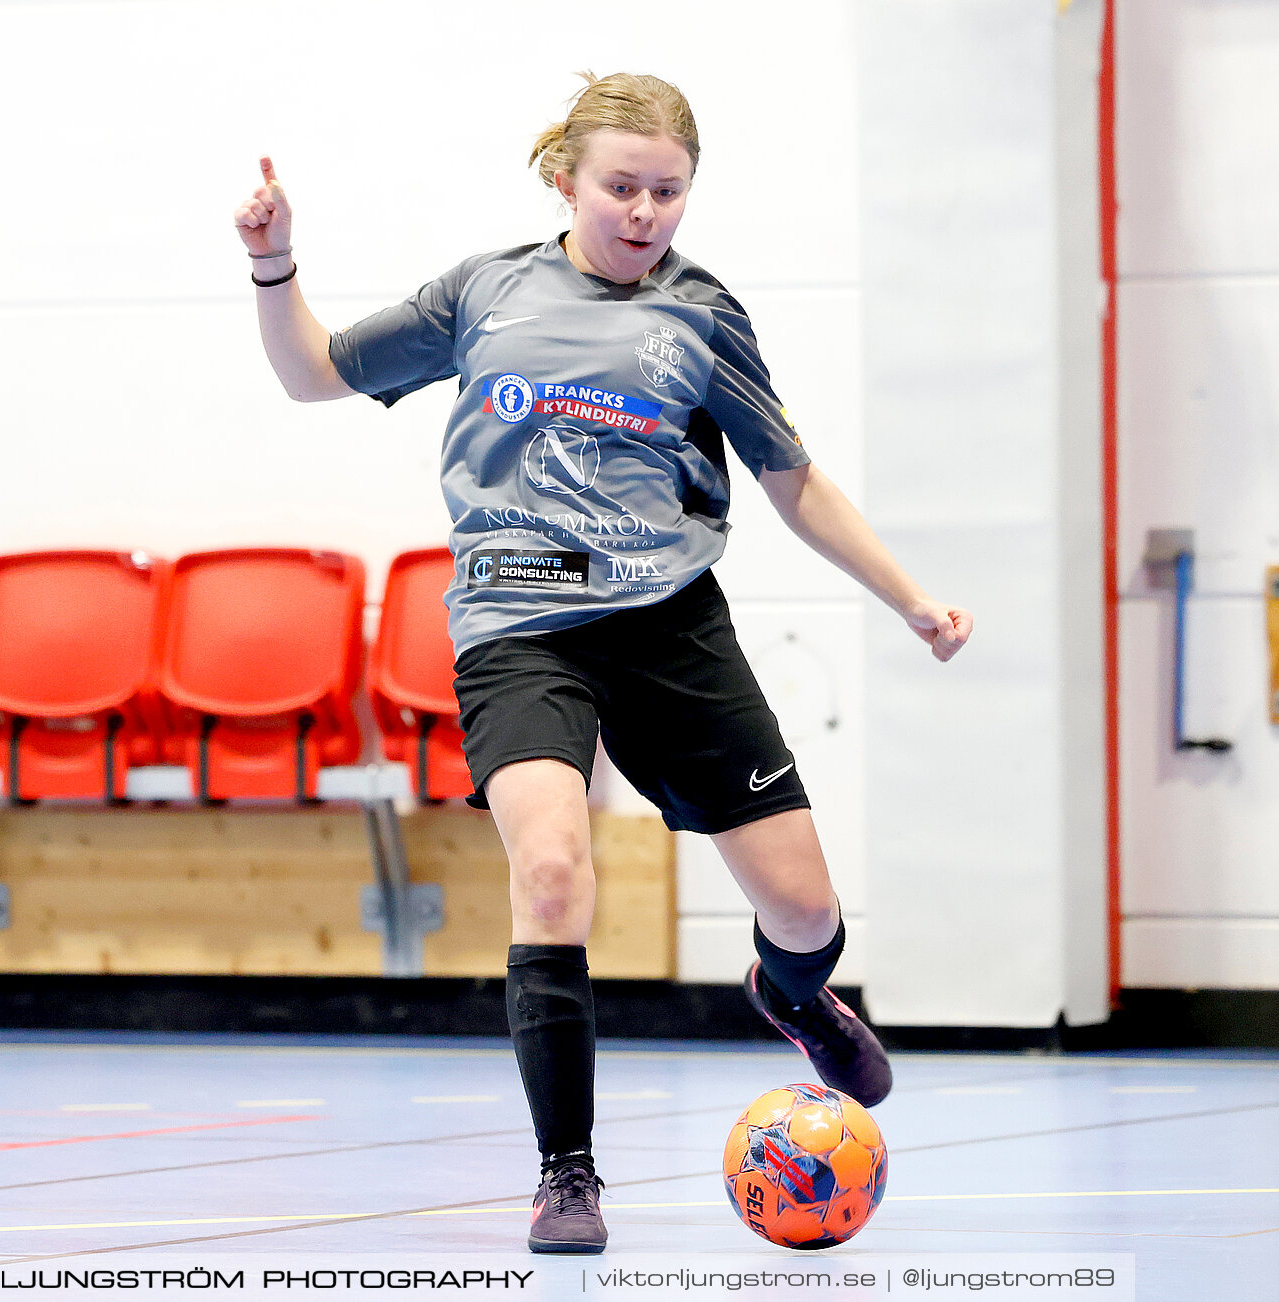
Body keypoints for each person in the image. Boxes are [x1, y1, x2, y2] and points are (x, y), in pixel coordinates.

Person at [235, 72, 972, 1255]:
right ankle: (567, 1174)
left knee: (804, 909)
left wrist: (911, 600)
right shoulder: (486, 292)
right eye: (621, 187)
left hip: (668, 620)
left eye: (667, 192)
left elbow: (794, 480)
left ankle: (790, 996)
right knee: (554, 870)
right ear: (566, 181)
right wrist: (277, 265)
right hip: (518, 623)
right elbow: (311, 370)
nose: (644, 213)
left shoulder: (703, 315)